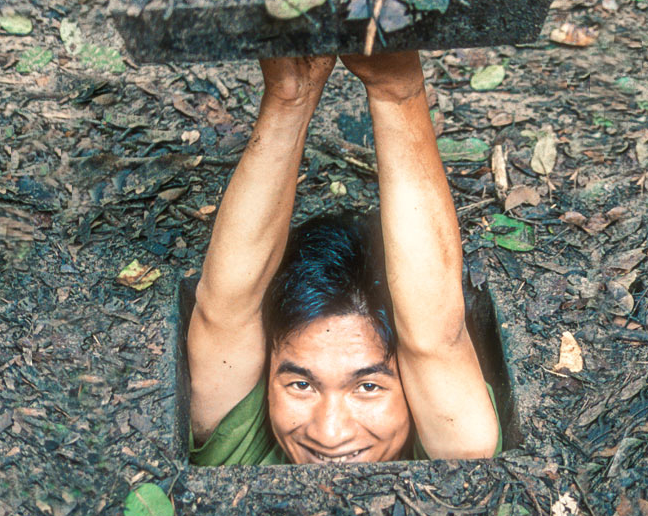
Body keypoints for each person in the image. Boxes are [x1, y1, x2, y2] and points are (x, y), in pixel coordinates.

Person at [186, 51, 501, 465]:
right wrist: (289, 98)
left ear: (415, 384)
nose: (329, 433)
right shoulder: (247, 449)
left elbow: (433, 338)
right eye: (300, 384)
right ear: (266, 377)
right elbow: (224, 310)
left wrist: (398, 92)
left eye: (368, 386)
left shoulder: (454, 459)